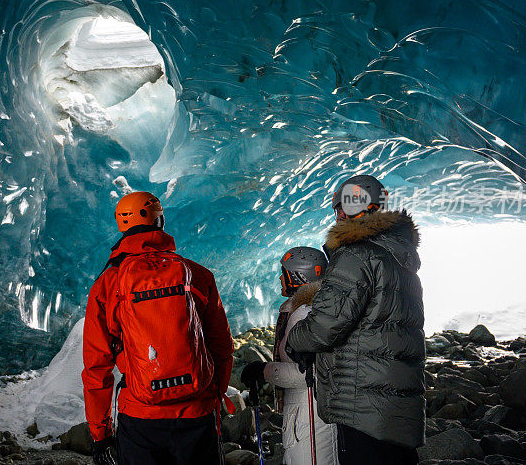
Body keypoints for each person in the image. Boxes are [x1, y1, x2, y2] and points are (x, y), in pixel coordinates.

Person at [82, 191, 234, 465]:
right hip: (197, 411)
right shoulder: (197, 274)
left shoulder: (107, 284)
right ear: (160, 222)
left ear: (122, 226)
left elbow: (97, 367)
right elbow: (222, 346)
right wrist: (215, 395)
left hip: (140, 416)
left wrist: (99, 433)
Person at [285, 175, 426, 464]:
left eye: (338, 208)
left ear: (347, 209)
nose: (336, 216)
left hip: (362, 402)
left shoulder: (357, 255)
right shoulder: (400, 258)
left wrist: (296, 339)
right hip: (397, 401)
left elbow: (326, 325)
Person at [241, 247, 340, 465]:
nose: (280, 277)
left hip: (310, 418)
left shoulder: (305, 314)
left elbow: (307, 374)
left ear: (299, 276)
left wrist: (263, 371)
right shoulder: (307, 309)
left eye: (284, 273)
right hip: (305, 416)